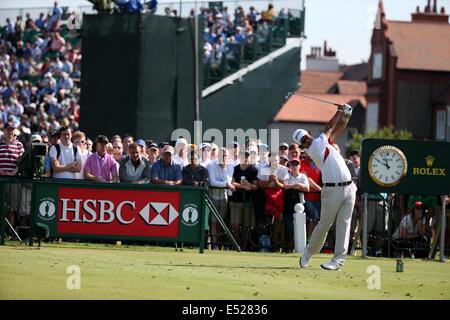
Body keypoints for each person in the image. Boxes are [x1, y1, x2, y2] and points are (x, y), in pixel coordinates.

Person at [295, 103, 357, 270]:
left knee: (344, 224)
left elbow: (340, 127)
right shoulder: (314, 148)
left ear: (309, 135)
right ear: (303, 145)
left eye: (306, 136)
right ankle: (308, 253)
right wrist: (338, 110)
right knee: (325, 225)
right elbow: (329, 126)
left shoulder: (325, 143)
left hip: (349, 188)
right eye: (303, 141)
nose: (306, 140)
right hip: (332, 190)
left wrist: (346, 114)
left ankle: (337, 261)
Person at [207, 147, 235, 249]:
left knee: (221, 223)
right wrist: (227, 185)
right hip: (212, 197)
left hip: (224, 198)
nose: (223, 158)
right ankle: (214, 245)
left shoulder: (230, 166)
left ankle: (219, 244)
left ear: (228, 157)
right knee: (213, 222)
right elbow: (213, 182)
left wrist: (224, 168)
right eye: (221, 156)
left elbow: (227, 180)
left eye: (225, 156)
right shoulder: (211, 165)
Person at [230, 149, 258, 250]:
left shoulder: (254, 169)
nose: (245, 158)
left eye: (246, 156)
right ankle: (236, 245)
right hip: (235, 201)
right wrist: (243, 186)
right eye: (243, 156)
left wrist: (248, 184)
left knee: (248, 226)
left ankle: (244, 246)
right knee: (235, 225)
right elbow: (232, 182)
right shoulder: (235, 168)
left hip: (248, 203)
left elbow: (255, 186)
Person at [283, 157, 309, 252]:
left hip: (299, 204)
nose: (295, 166)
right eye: (293, 164)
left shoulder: (303, 177)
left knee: (299, 227)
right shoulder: (287, 176)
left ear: (299, 166)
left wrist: (297, 186)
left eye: (296, 164)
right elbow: (285, 186)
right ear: (290, 166)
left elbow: (307, 188)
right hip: (288, 204)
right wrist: (296, 185)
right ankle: (289, 248)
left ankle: (299, 247)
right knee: (289, 227)